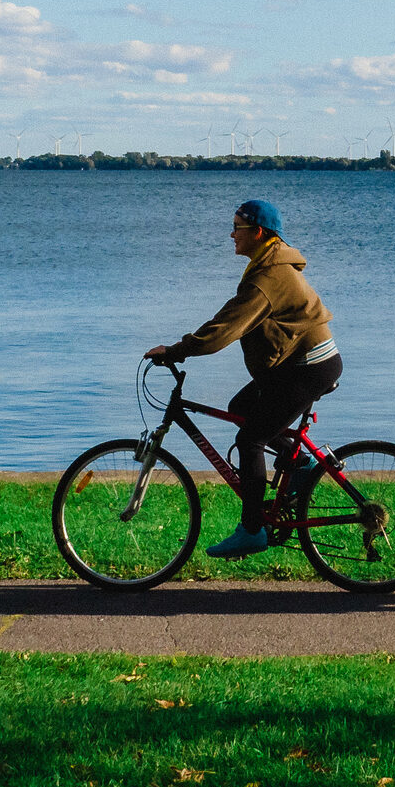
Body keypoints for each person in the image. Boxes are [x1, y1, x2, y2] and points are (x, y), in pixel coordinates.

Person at [146, 198, 341, 560]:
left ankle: (252, 529)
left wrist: (176, 351)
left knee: (250, 439)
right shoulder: (267, 263)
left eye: (237, 227)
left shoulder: (270, 276)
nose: (231, 234)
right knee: (241, 408)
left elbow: (225, 328)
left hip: (309, 366)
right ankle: (300, 464)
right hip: (300, 363)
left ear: (259, 233)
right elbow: (231, 320)